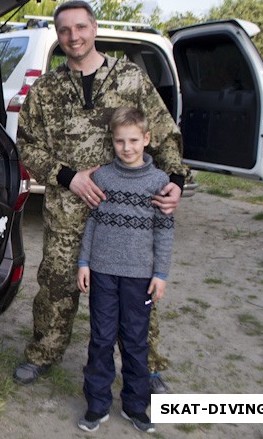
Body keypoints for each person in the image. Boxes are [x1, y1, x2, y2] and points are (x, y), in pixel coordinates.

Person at [13, 0, 185, 393]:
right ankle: (44, 353)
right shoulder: (46, 90)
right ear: (59, 37)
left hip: (127, 215)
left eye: (81, 27)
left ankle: (147, 368)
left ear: (94, 28)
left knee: (135, 293)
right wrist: (68, 176)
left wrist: (175, 179)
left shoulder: (131, 80)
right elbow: (27, 147)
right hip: (68, 208)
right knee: (56, 285)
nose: (74, 37)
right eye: (65, 30)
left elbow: (165, 132)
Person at [76, 106, 173, 433]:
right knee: (101, 339)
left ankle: (135, 405)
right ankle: (97, 404)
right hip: (103, 273)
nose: (127, 147)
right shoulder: (102, 177)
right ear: (112, 142)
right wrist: (84, 262)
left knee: (135, 341)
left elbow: (164, 230)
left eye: (133, 140)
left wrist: (160, 273)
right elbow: (92, 221)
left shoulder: (159, 182)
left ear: (146, 139)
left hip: (139, 279)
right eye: (120, 141)